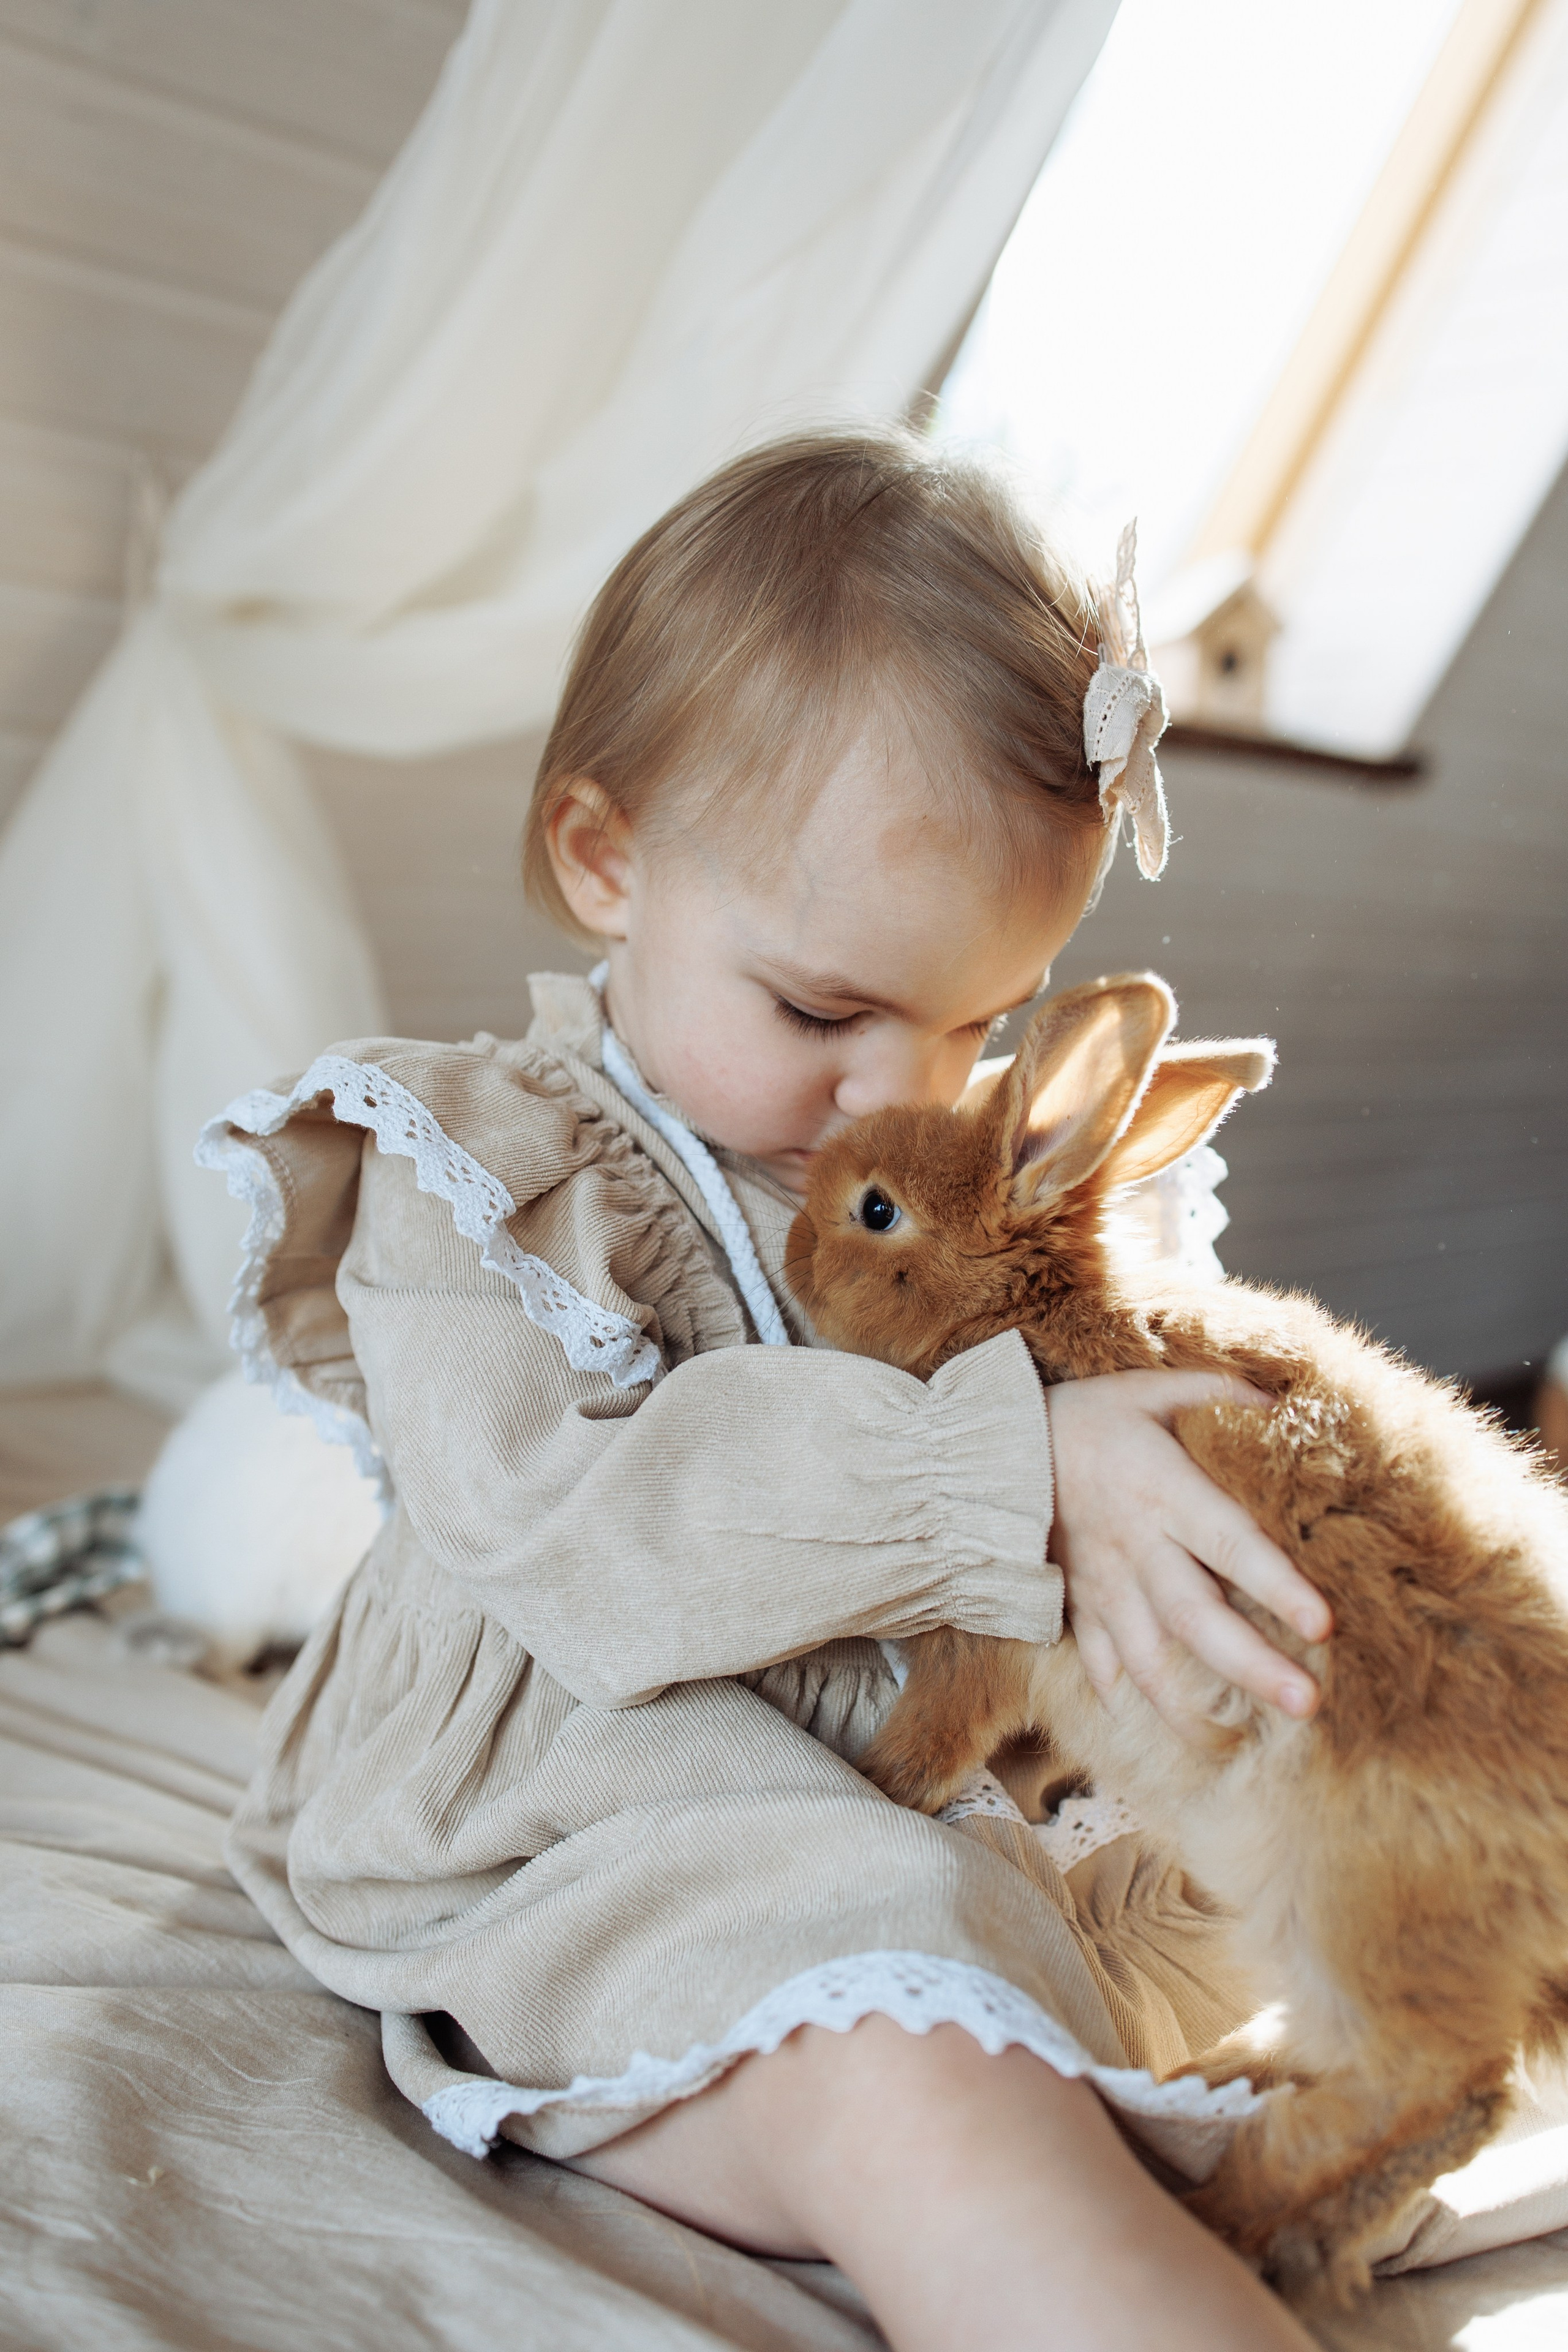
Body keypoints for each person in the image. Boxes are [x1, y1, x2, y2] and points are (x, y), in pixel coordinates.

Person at [211, 431, 1330, 2351]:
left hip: (909, 1768)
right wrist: (999, 1472)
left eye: (977, 1023)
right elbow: (590, 1540)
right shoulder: (478, 1178)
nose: (901, 1090)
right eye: (822, 1009)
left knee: (1284, 1895)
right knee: (901, 2031)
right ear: (606, 859)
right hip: (591, 1793)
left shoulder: (943, 1174)